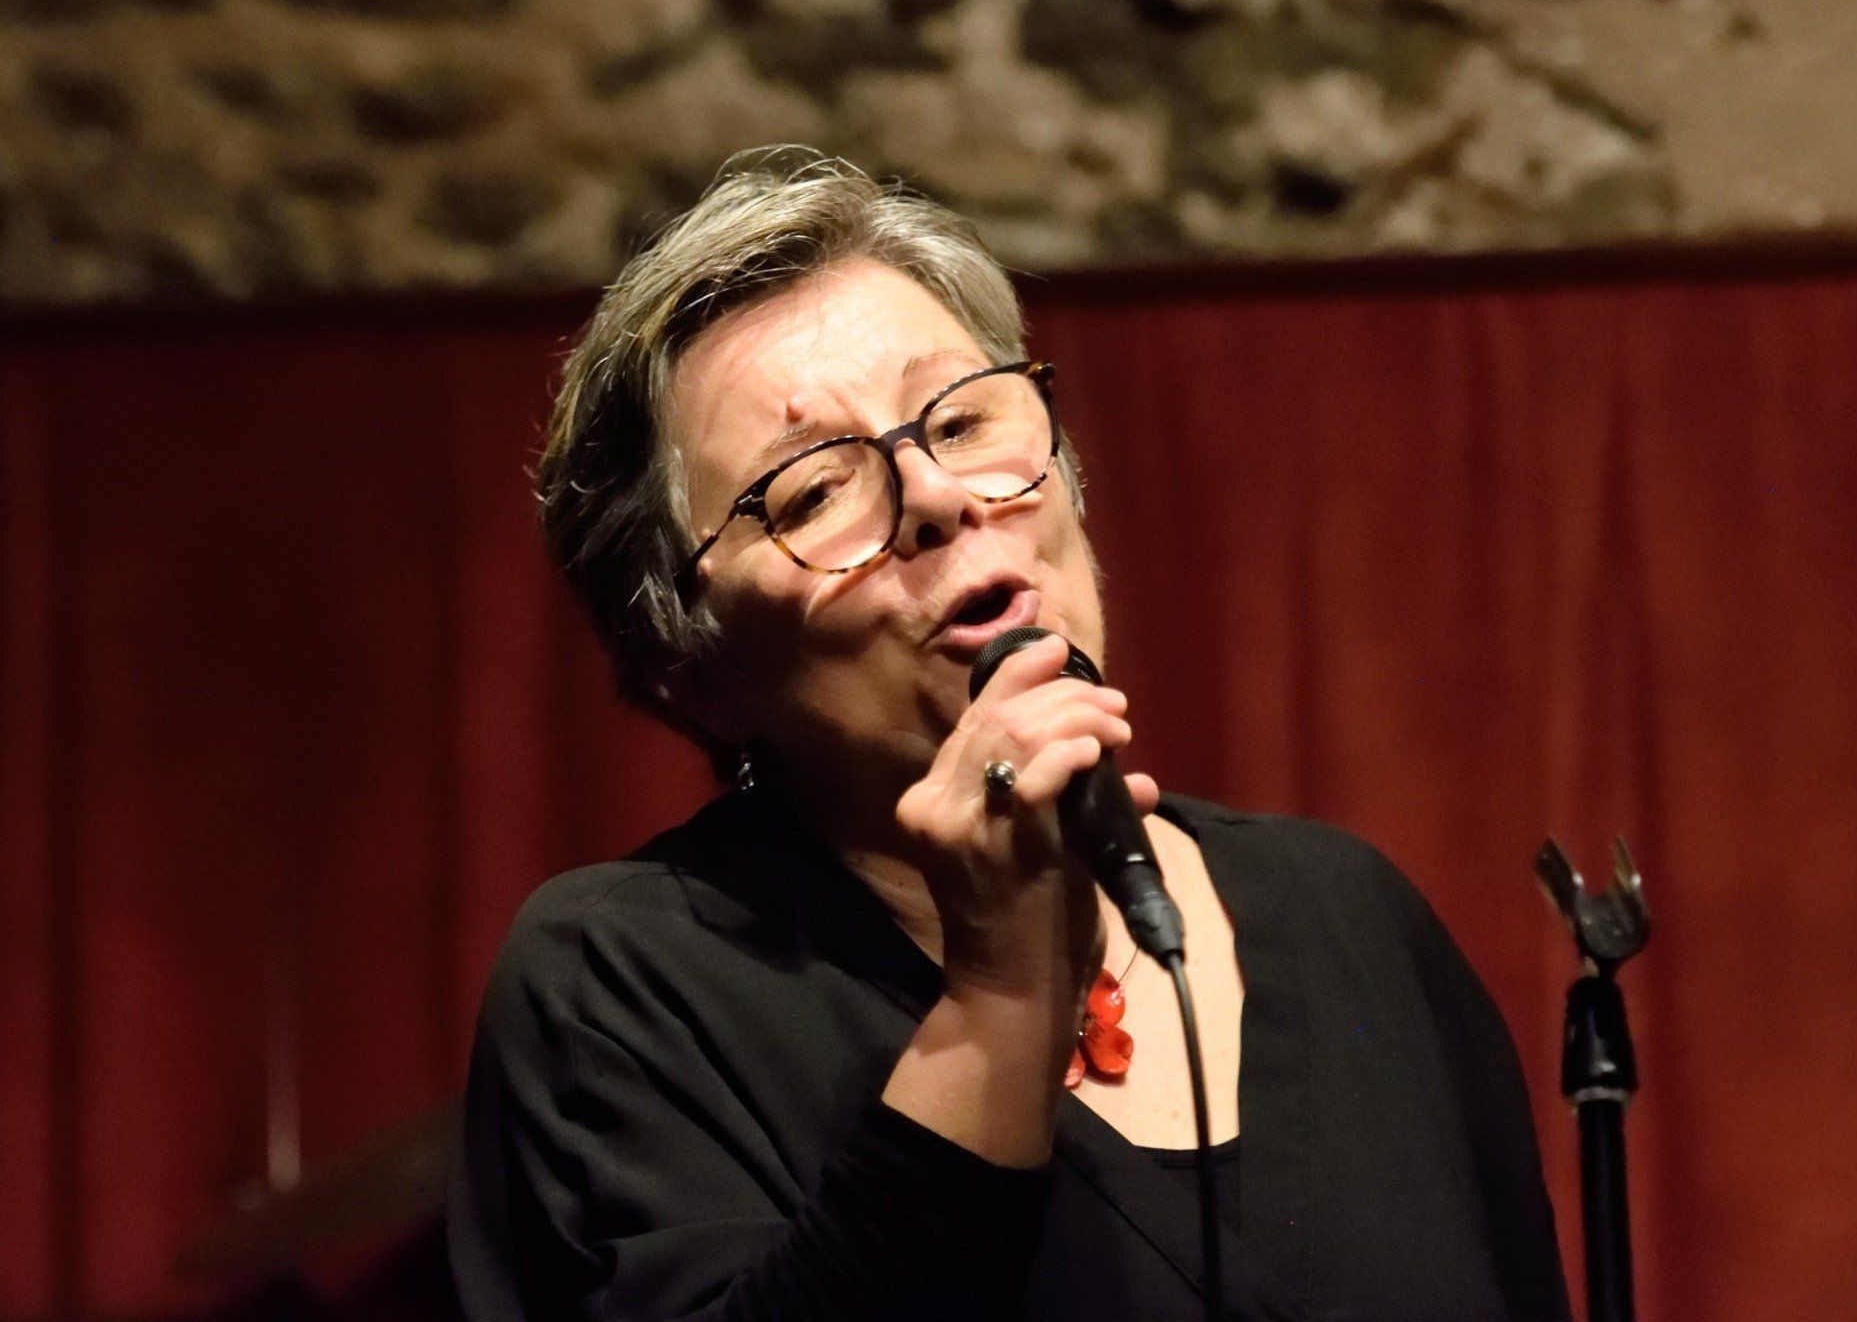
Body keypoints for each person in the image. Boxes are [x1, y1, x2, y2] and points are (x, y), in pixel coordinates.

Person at [446, 153, 1571, 1321]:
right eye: (814, 491)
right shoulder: (620, 986)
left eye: (964, 418)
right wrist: (1002, 994)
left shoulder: (1346, 914)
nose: (939, 495)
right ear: (696, 673)